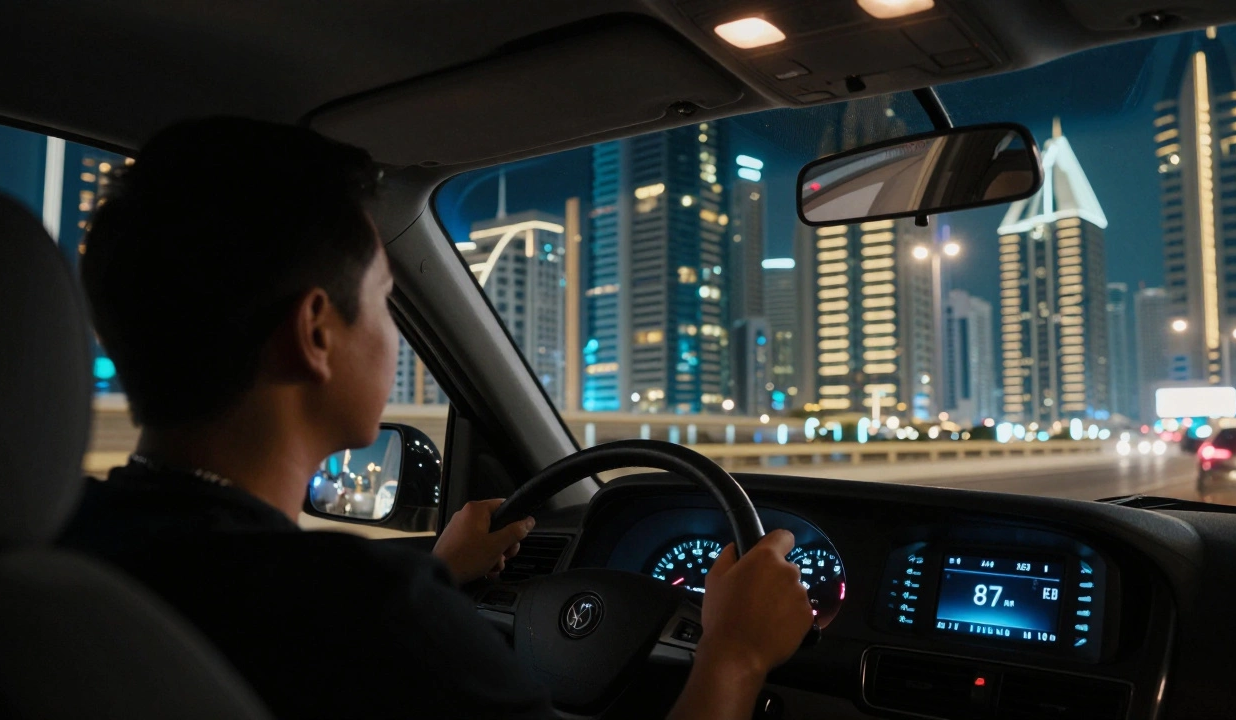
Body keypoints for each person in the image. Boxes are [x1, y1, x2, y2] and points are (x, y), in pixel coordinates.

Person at [61, 117, 814, 720]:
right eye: (388, 298)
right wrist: (735, 655)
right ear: (316, 332)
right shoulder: (377, 617)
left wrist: (438, 574)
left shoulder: (63, 542)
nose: (392, 333)